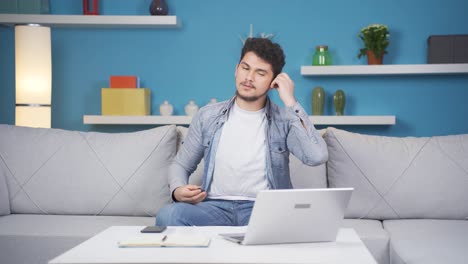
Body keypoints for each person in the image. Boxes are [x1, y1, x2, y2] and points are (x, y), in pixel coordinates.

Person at [156, 37, 328, 226]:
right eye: (245, 68)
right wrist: (177, 189)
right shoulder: (207, 116)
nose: (249, 78)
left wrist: (290, 101)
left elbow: (317, 156)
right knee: (169, 215)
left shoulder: (284, 120)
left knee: (300, 223)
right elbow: (181, 164)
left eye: (260, 73)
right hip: (213, 208)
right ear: (236, 69)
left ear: (274, 81)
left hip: (264, 210)